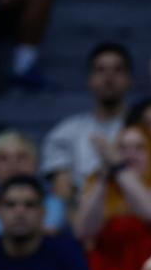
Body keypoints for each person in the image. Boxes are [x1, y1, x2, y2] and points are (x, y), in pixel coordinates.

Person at [74, 124, 151, 270]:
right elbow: (83, 231)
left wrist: (120, 167)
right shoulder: (103, 189)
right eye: (122, 148)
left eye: (139, 148)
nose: (129, 155)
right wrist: (104, 177)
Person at [41, 42, 132, 205]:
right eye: (100, 70)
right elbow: (63, 195)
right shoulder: (64, 133)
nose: (109, 78)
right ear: (89, 80)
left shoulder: (144, 127)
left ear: (129, 79)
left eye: (117, 70)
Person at [0, 129, 68, 250]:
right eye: (3, 158)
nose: (13, 164)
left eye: (21, 157)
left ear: (36, 164)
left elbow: (46, 242)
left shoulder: (52, 204)